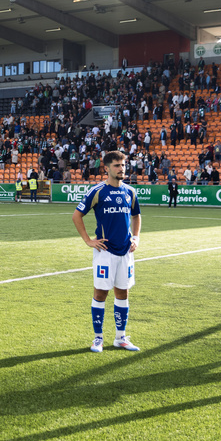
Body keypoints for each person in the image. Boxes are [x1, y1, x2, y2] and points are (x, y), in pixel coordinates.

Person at [72, 151, 141, 353]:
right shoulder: (98, 191)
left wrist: (136, 238)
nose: (122, 169)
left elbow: (137, 216)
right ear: (107, 168)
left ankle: (120, 337)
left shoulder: (130, 192)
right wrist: (88, 241)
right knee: (101, 292)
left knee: (123, 292)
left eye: (123, 165)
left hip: (126, 252)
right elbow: (77, 216)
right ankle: (98, 338)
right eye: (117, 165)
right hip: (105, 252)